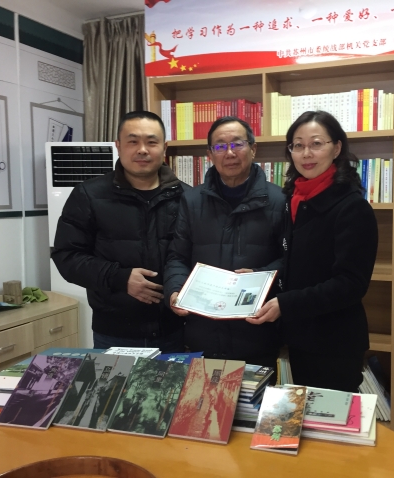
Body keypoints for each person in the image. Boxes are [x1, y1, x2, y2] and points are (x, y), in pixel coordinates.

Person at [250, 110, 378, 392]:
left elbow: (350, 285)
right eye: (298, 145)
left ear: (337, 148)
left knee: (328, 418)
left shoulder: (352, 207)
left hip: (334, 341)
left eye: (316, 144)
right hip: (300, 335)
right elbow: (296, 262)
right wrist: (259, 277)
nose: (306, 153)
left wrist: (286, 304)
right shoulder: (296, 200)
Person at [51, 111, 188, 352]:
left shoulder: (187, 197)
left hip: (177, 330)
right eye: (133, 141)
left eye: (151, 142)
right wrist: (120, 278)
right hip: (114, 333)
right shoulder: (89, 195)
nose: (142, 150)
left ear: (164, 148)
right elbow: (66, 256)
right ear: (118, 146)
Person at [164, 116, 285, 369]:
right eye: (220, 146)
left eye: (237, 144)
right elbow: (177, 256)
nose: (229, 153)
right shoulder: (192, 200)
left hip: (257, 330)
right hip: (202, 332)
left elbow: (291, 259)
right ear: (210, 155)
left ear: (253, 149)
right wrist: (175, 290)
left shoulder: (279, 200)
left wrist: (259, 276)